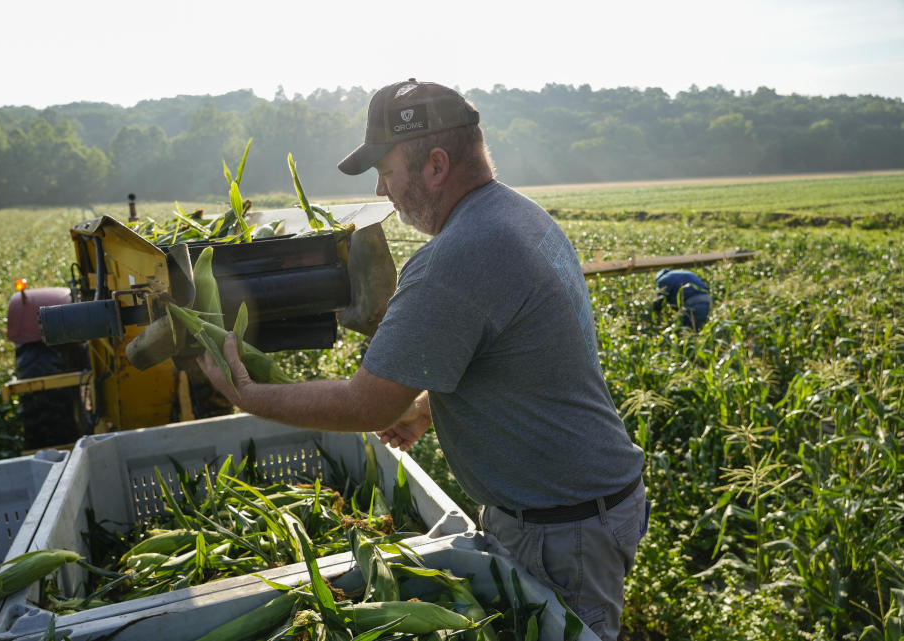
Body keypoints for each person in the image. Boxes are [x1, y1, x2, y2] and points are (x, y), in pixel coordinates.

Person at [197, 79, 648, 641]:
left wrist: (248, 395)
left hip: (563, 530)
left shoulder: (457, 257)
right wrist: (426, 409)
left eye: (387, 172)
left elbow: (365, 404)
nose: (383, 190)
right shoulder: (518, 215)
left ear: (435, 165)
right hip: (585, 509)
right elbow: (514, 362)